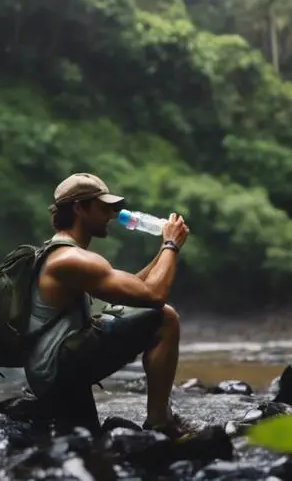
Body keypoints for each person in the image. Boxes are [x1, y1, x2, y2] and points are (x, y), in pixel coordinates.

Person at [24, 172, 195, 438]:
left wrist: (164, 249)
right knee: (165, 318)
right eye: (104, 207)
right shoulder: (71, 259)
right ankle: (160, 421)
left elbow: (136, 291)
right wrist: (171, 244)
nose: (112, 214)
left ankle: (46, 410)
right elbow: (155, 295)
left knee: (87, 441)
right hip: (57, 370)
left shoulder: (62, 252)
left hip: (52, 368)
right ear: (80, 208)